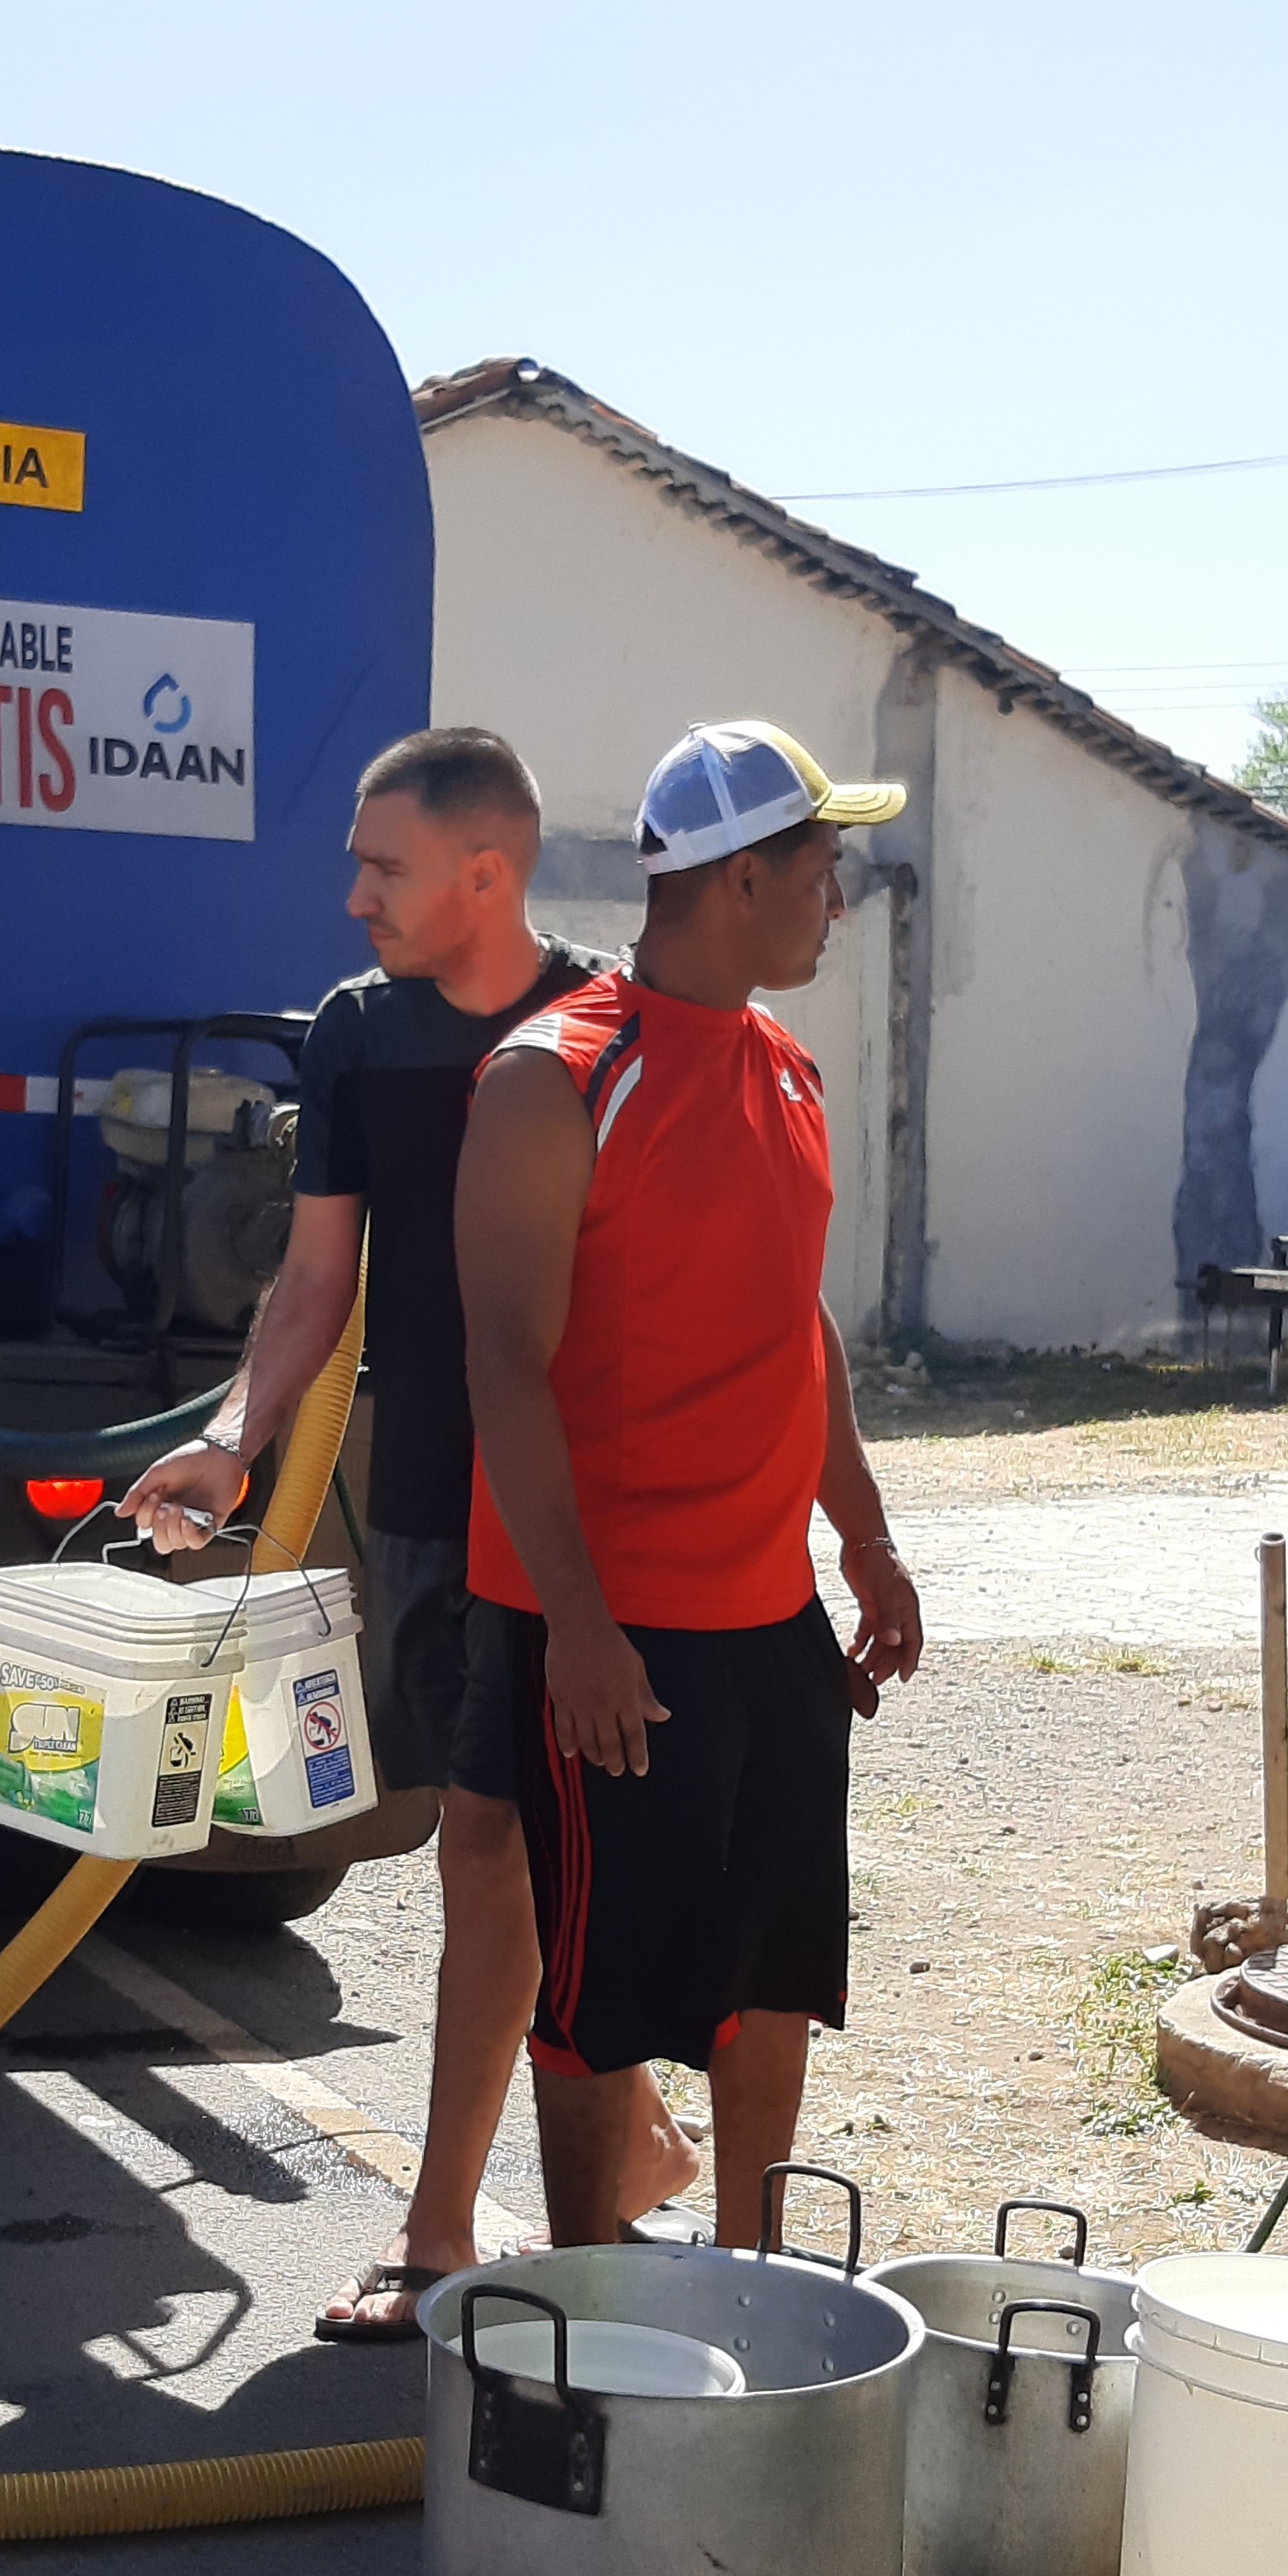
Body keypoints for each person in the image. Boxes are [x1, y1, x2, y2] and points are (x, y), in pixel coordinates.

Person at [123, 724, 693, 2340]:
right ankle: (626, 2139)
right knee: (498, 1839)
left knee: (495, 1844)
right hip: (435, 1500)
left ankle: (443, 2235)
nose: (352, 892)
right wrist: (236, 1444)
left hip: (577, 1520)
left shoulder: (602, 1029)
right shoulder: (357, 1039)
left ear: (482, 873)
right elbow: (316, 1279)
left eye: (382, 865)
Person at [452, 719, 924, 2250]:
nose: (837, 901)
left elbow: (796, 1322)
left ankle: (756, 2276)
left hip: (766, 1610)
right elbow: (505, 1364)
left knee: (769, 1976)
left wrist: (863, 1536)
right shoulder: (554, 1078)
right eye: (820, 868)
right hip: (614, 1630)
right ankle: (584, 2308)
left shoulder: (783, 1068)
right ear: (735, 881)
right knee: (603, 2003)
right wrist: (578, 1625)